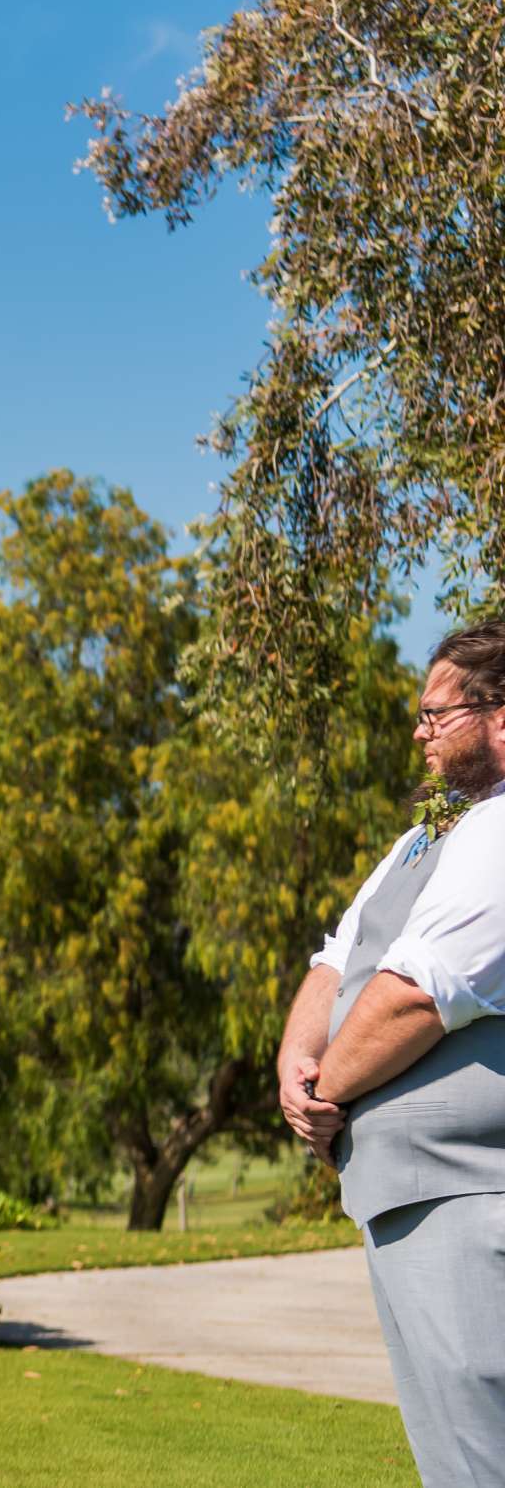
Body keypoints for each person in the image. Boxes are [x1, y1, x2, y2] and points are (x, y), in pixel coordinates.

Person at [276, 619, 505, 1488]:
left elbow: (416, 992)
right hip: (400, 1196)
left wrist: (325, 1090)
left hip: (468, 1198)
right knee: (448, 1456)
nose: (418, 732)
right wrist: (296, 1069)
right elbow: (341, 955)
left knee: (483, 1453)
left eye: (434, 714)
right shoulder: (422, 839)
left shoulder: (501, 833)